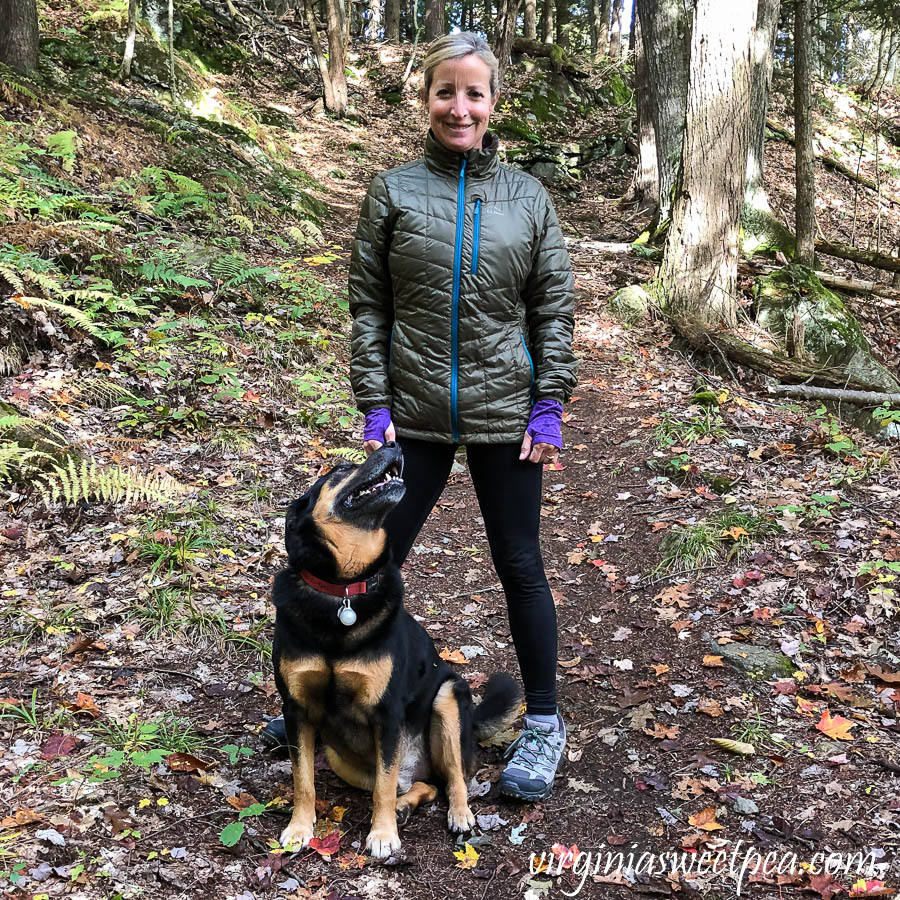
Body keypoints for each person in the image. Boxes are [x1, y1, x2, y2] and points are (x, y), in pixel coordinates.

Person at [265, 32, 577, 802]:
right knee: (368, 562)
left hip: (508, 411)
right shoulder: (395, 191)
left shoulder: (528, 198)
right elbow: (369, 305)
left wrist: (549, 405)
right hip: (414, 414)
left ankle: (541, 723)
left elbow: (553, 309)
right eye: (446, 92)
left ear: (495, 103)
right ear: (426, 99)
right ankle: (326, 696)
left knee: (520, 564)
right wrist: (374, 405)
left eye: (474, 93)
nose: (459, 107)